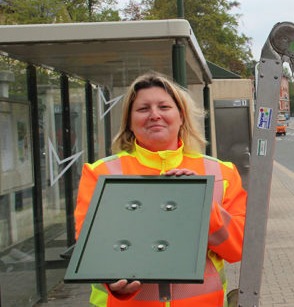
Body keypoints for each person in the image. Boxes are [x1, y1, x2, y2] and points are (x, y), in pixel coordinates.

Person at [74, 72, 247, 307]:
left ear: (181, 116)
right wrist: (113, 283)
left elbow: (238, 248)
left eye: (164, 106)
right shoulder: (100, 173)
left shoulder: (221, 173)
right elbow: (91, 250)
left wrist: (201, 204)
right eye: (143, 109)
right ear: (129, 121)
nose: (154, 115)